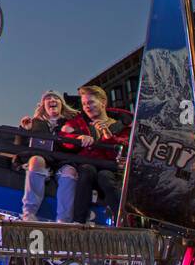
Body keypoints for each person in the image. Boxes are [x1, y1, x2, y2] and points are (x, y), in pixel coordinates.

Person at [68, 85, 132, 224]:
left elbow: (124, 148)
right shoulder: (80, 124)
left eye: (90, 102)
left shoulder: (121, 126)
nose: (87, 107)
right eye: (84, 104)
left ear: (103, 102)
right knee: (86, 170)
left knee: (105, 177)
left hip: (109, 168)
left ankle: (123, 223)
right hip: (88, 167)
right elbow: (63, 134)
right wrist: (78, 138)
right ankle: (78, 222)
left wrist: (108, 135)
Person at [17, 90, 82, 222]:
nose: (52, 100)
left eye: (56, 98)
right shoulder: (35, 122)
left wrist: (75, 133)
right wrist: (24, 130)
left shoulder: (70, 122)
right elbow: (19, 145)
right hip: (43, 158)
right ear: (43, 105)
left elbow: (77, 144)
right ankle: (28, 214)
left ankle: (64, 220)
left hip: (62, 160)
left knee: (70, 171)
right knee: (35, 160)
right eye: (48, 98)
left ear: (62, 104)